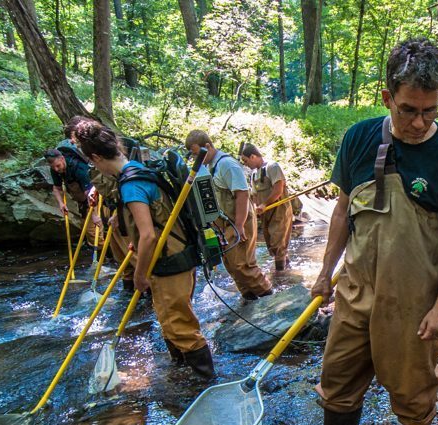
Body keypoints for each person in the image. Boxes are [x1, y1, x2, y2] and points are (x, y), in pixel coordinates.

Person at [288, 38, 438, 425]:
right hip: (355, 287)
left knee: (413, 386)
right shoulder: (358, 138)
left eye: (430, 110)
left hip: (413, 300)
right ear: (388, 96)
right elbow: (341, 210)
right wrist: (324, 272)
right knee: (338, 372)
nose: (419, 121)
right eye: (409, 109)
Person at [74, 121, 214, 378]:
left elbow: (149, 235)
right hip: (181, 253)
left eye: (93, 164)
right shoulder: (139, 168)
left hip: (168, 261)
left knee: (179, 325)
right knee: (173, 321)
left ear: (95, 157)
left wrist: (139, 275)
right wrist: (135, 241)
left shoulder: (130, 185)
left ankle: (203, 383)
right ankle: (183, 376)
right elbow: (152, 224)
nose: (95, 169)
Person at [184, 130, 273, 300]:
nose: (196, 158)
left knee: (242, 264)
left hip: (239, 220)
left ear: (208, 146)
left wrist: (239, 226)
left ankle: (269, 298)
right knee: (230, 263)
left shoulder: (227, 165)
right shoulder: (210, 165)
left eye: (198, 153)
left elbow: (242, 194)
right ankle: (249, 300)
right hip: (224, 223)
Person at [240, 143, 294, 271]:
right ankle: (286, 271)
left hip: (279, 210)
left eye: (246, 161)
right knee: (271, 245)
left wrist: (265, 204)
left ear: (253, 156)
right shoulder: (254, 174)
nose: (245, 164)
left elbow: (278, 189)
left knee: (278, 244)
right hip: (265, 213)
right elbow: (253, 195)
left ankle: (279, 278)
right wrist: (255, 208)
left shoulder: (272, 167)